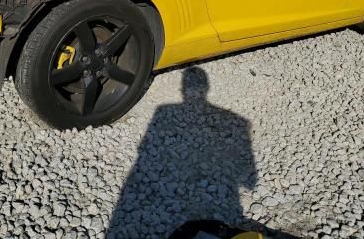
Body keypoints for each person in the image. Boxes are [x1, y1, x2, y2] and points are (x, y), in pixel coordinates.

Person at [107, 67, 257, 238]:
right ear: (206, 88)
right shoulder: (239, 122)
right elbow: (250, 182)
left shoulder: (162, 110)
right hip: (228, 205)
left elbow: (142, 148)